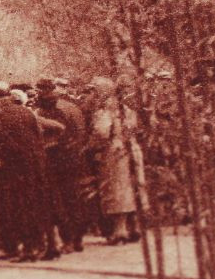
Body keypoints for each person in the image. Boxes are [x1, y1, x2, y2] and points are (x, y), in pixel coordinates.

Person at [0, 87, 54, 261]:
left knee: (16, 208)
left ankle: (25, 249)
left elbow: (7, 144)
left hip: (16, 169)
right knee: (33, 206)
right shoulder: (27, 113)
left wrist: (0, 159)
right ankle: (39, 246)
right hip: (35, 166)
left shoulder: (2, 117)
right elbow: (38, 136)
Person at [36, 78, 89, 254]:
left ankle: (68, 239)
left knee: (59, 201)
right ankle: (78, 239)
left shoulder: (52, 109)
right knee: (74, 199)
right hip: (74, 158)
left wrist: (43, 146)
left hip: (58, 160)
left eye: (40, 91)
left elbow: (59, 135)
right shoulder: (71, 106)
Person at [89, 76, 144, 243]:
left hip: (115, 152)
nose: (93, 94)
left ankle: (120, 230)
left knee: (116, 190)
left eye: (95, 91)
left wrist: (91, 144)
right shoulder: (125, 108)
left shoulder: (105, 111)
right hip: (131, 149)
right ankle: (134, 226)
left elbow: (102, 133)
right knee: (133, 187)